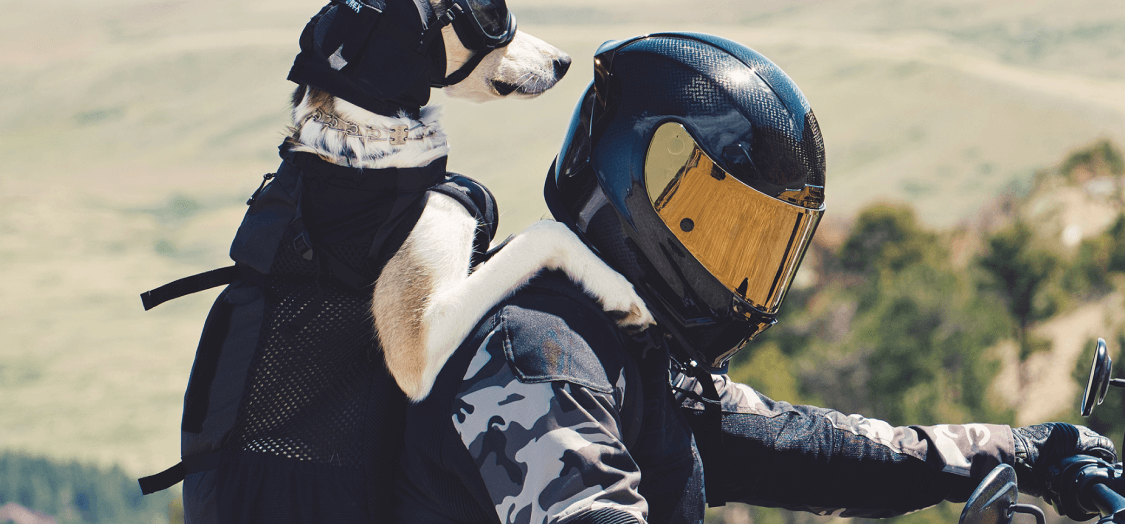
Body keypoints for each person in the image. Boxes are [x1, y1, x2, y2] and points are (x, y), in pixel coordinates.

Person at [393, 32, 1117, 524]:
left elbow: (812, 448)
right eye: (711, 219)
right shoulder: (536, 356)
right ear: (630, 187)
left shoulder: (624, 341)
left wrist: (1021, 453)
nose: (740, 264)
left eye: (763, 239)